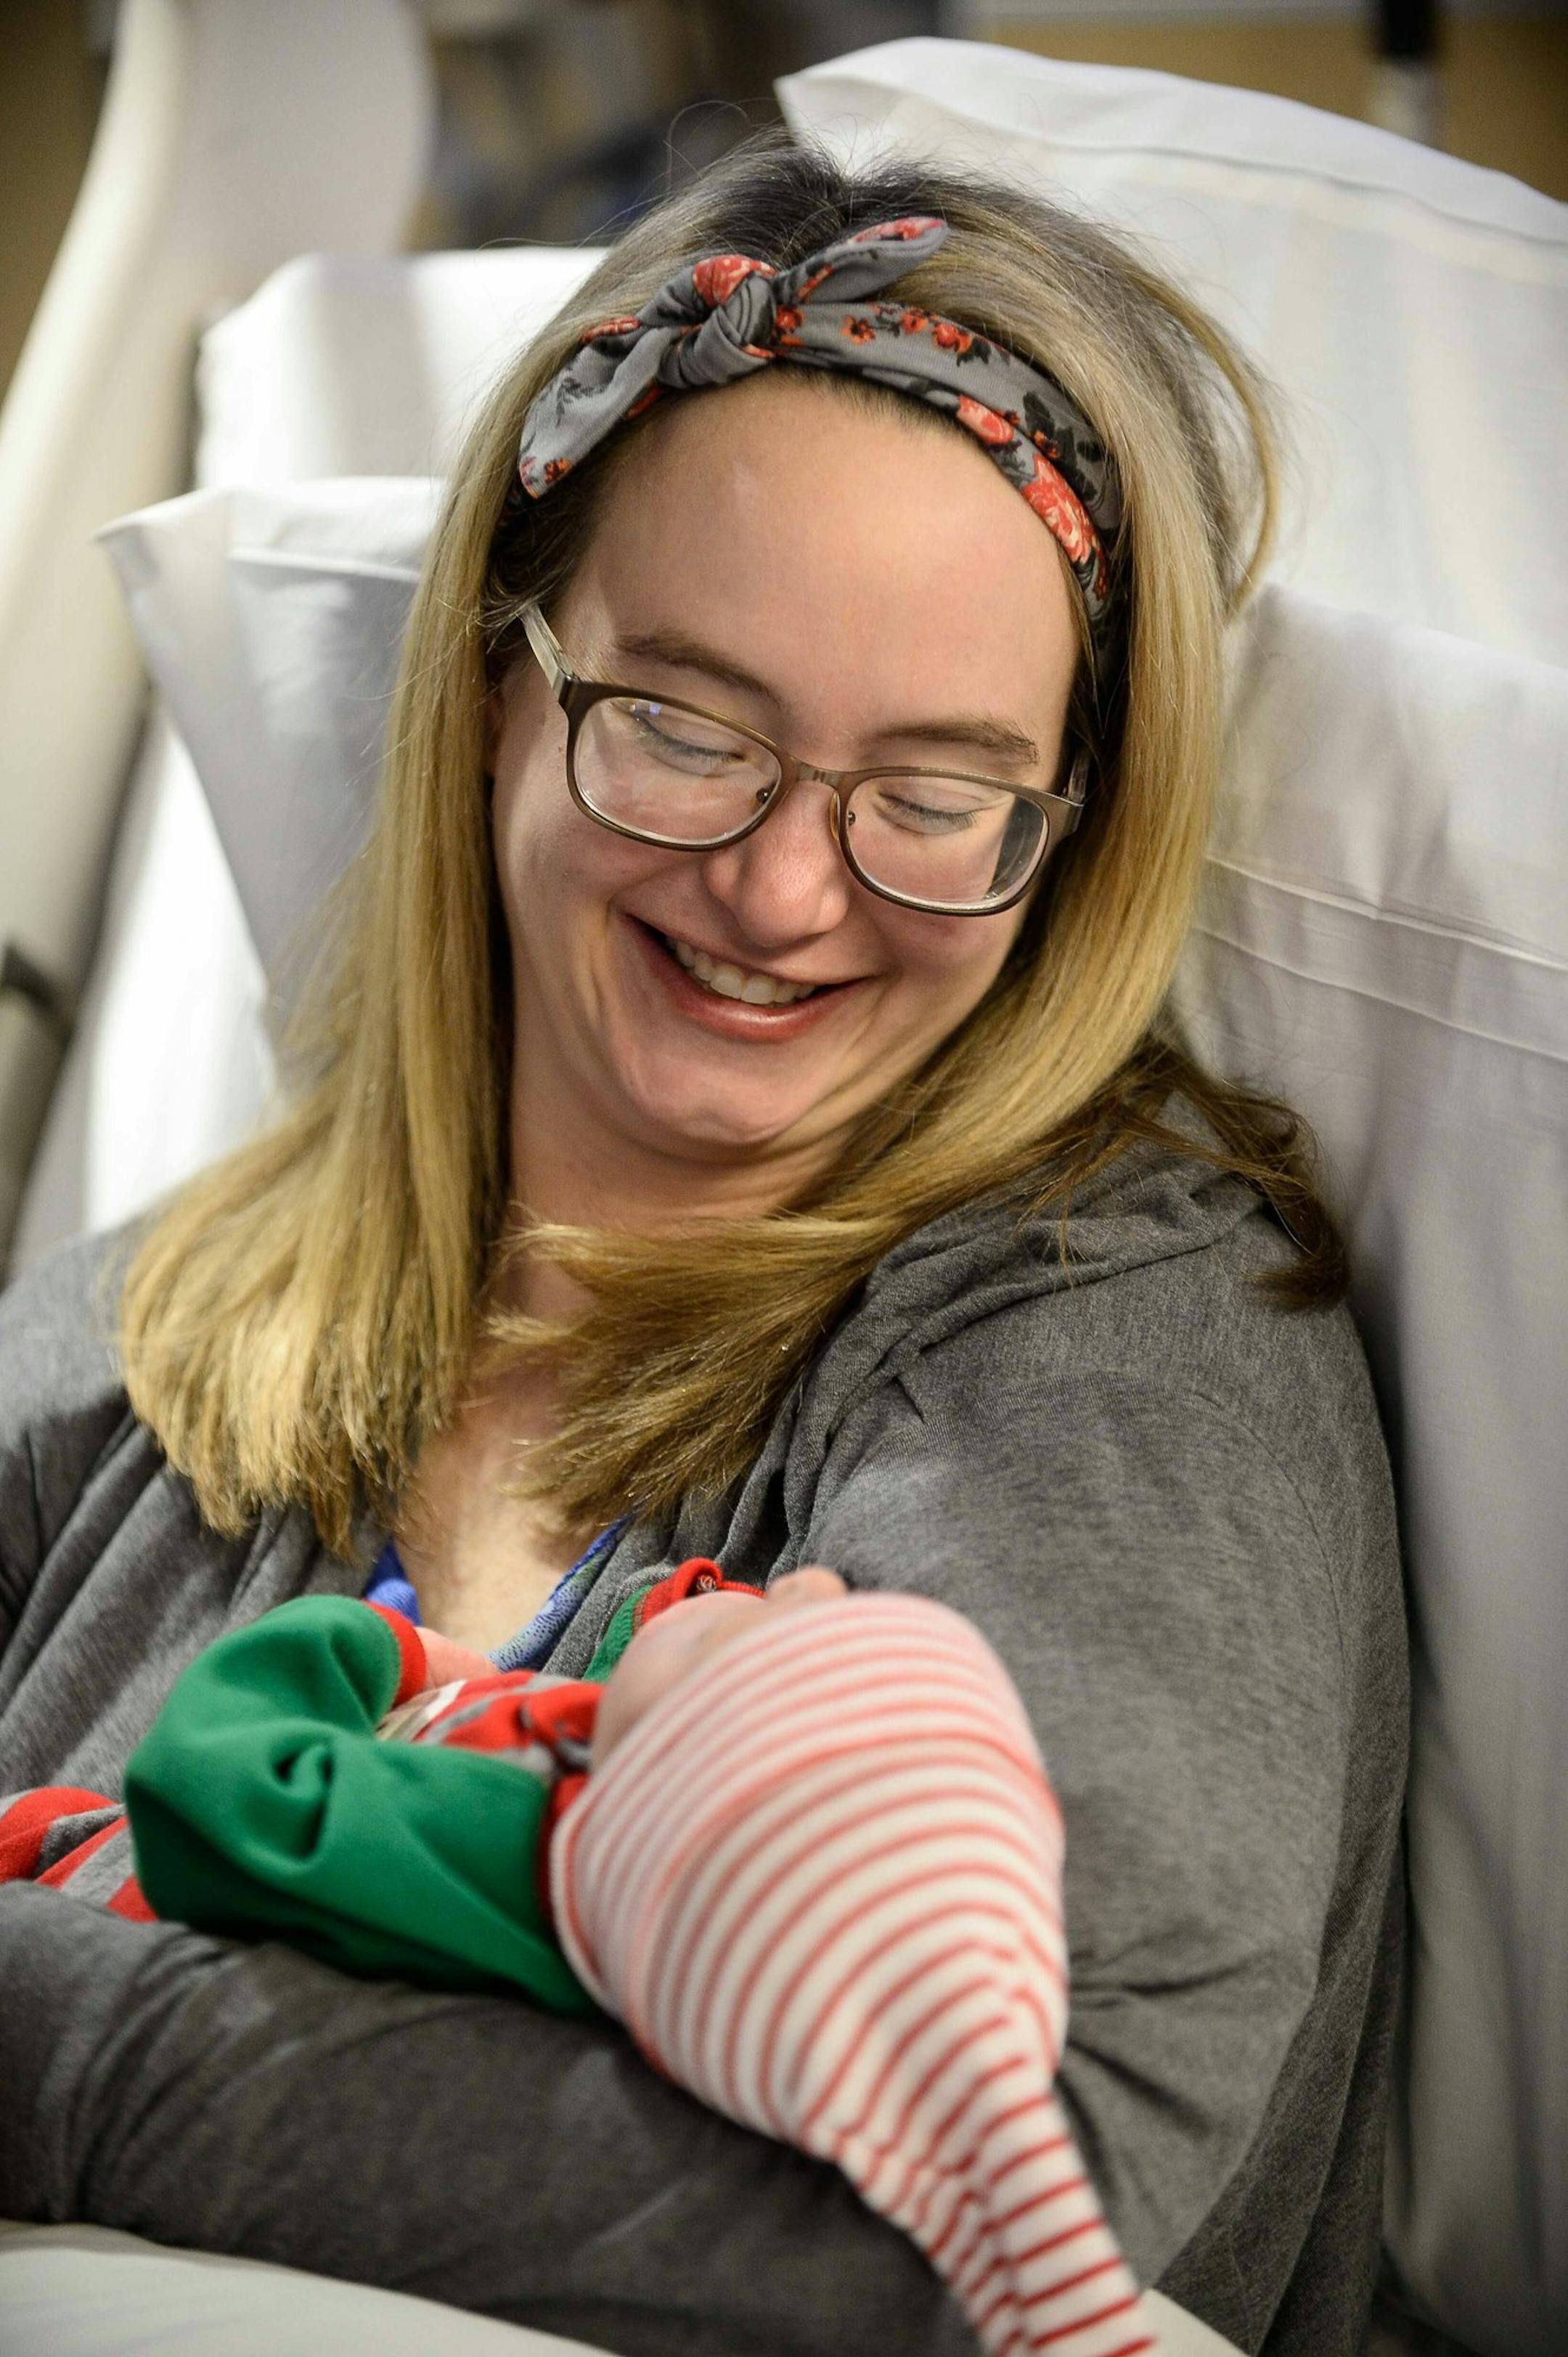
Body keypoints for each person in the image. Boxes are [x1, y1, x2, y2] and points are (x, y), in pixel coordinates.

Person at [0, 139, 1407, 2357]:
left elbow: (1009, 2197)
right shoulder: (124, 1342)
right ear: (492, 686)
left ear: (1070, 839)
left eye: (936, 793)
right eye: (686, 725)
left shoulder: (1106, 1337)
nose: (779, 891)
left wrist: (60, 2039)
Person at [4, 1566, 1159, 2357]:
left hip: (79, 1876)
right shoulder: (670, 1938)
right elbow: (622, 1717)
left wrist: (362, 1640)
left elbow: (220, 1791)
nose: (818, 1579)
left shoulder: (489, 1846)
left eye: (756, 1635)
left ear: (646, 1800)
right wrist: (678, 1619)